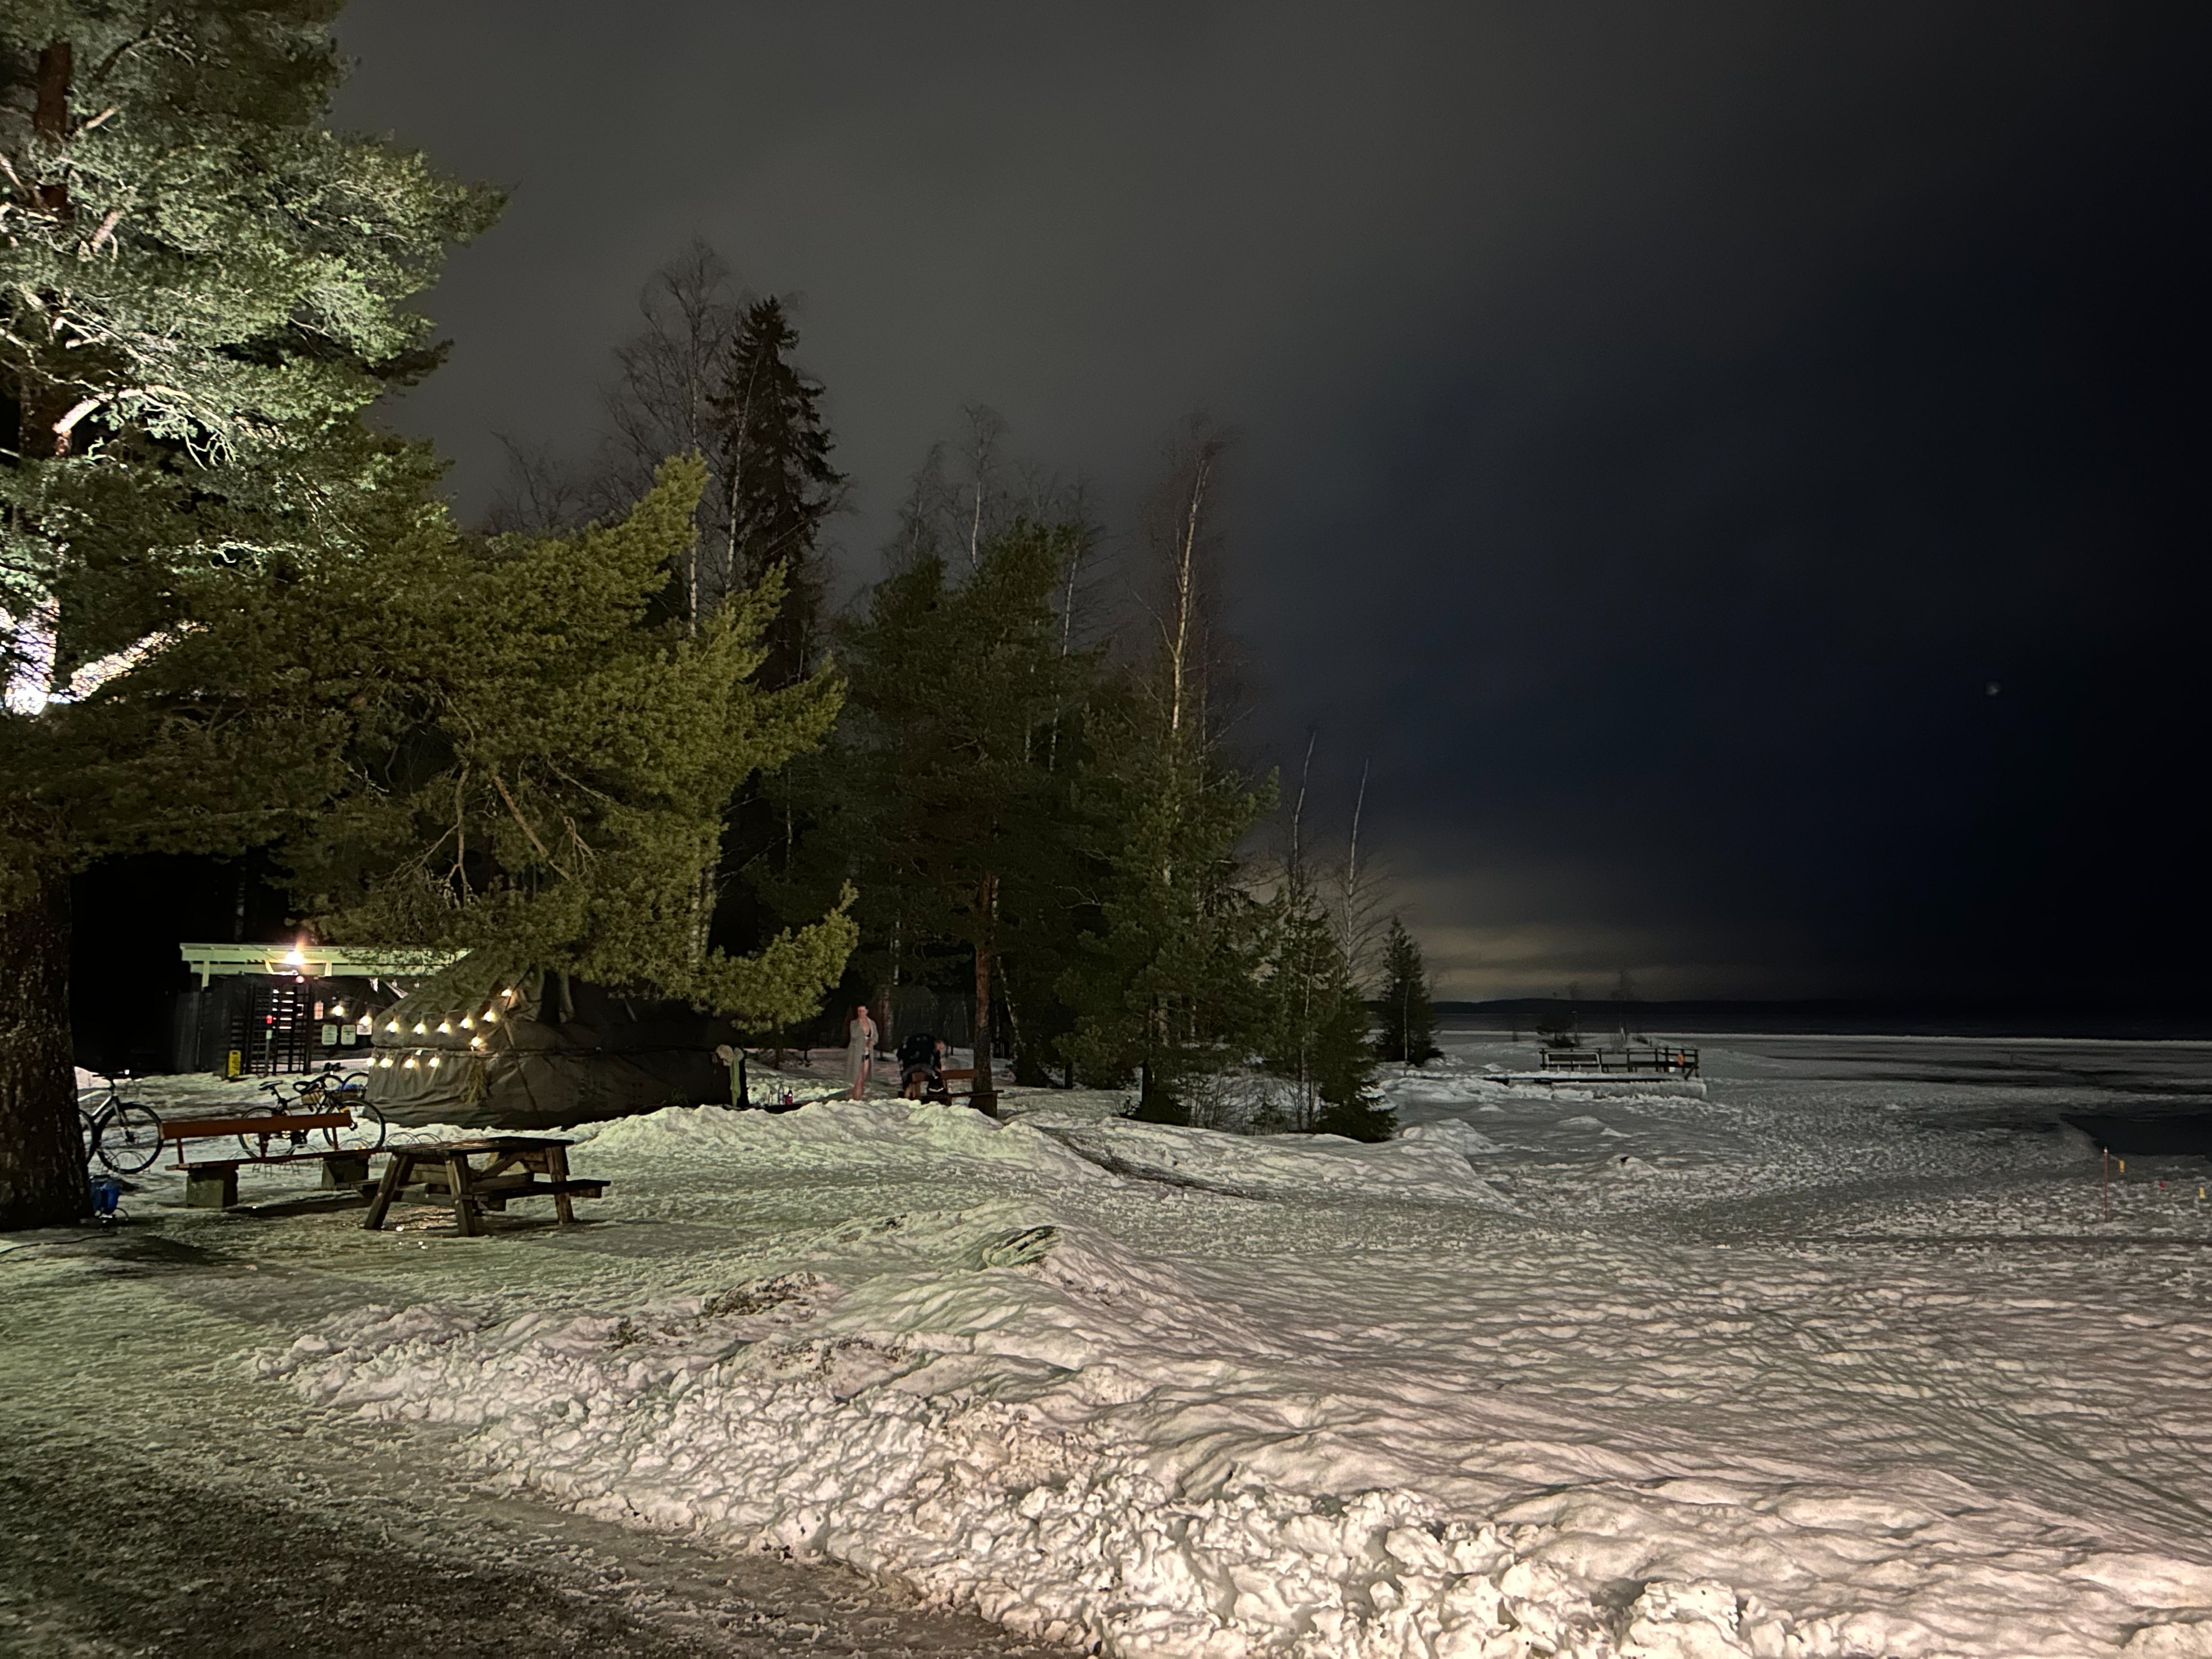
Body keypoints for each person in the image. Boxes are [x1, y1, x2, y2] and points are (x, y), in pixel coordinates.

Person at [846, 1004, 878, 1099]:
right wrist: (860, 1024)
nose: (861, 1013)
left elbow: (875, 1036)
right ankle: (856, 1097)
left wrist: (872, 1042)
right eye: (859, 1011)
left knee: (864, 1076)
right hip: (857, 1051)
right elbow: (854, 1036)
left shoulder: (872, 1023)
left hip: (867, 1052)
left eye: (863, 1011)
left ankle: (858, 1095)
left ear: (867, 1011)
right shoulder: (854, 1023)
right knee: (858, 1076)